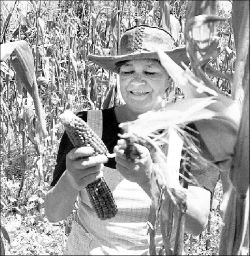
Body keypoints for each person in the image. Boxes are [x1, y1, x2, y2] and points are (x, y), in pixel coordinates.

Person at [44, 25, 239, 255]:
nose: (137, 82)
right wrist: (72, 180)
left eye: (150, 72)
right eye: (127, 72)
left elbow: (196, 223)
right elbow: (53, 214)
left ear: (170, 78)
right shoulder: (87, 123)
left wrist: (149, 180)